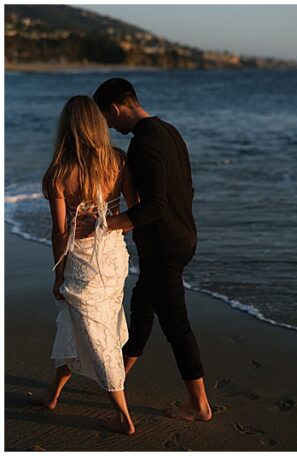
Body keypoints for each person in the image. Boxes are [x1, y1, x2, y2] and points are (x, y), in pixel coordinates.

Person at [82, 78, 211, 421]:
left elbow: (153, 206)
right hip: (183, 237)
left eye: (108, 120)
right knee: (142, 307)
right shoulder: (170, 132)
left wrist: (104, 224)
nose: (109, 127)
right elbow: (187, 189)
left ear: (115, 108)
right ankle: (117, 377)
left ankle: (199, 406)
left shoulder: (143, 143)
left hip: (164, 246)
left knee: (175, 324)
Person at [33, 95, 140, 434]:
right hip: (114, 259)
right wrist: (104, 222)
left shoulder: (59, 173)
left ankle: (124, 418)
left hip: (82, 266)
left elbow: (59, 232)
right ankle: (53, 395)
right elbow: (134, 214)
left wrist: (59, 274)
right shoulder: (119, 162)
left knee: (99, 340)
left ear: (67, 128)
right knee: (77, 325)